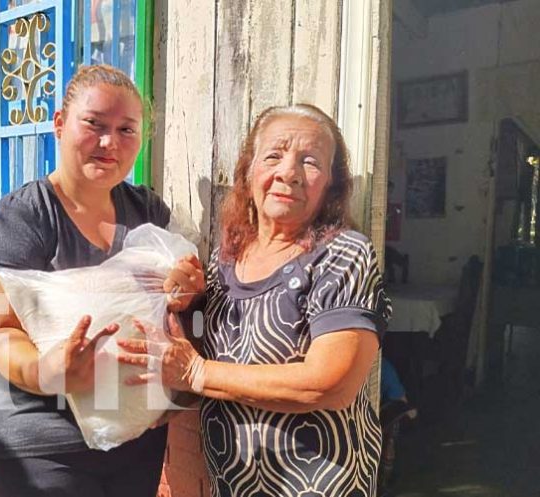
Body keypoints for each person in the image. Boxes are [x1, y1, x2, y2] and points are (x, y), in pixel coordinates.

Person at [119, 103, 392, 497]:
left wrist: (196, 372)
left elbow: (330, 385)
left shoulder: (343, 255)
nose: (290, 173)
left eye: (311, 162)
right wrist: (185, 300)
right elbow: (204, 361)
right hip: (234, 484)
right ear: (248, 172)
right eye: (274, 155)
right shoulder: (225, 258)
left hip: (318, 485)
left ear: (331, 184)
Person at [0, 64, 204, 497]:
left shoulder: (149, 212)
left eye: (126, 130)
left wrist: (184, 291)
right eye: (94, 124)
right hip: (41, 445)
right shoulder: (20, 219)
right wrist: (48, 372)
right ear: (59, 124)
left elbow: (178, 304)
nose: (109, 142)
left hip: (134, 432)